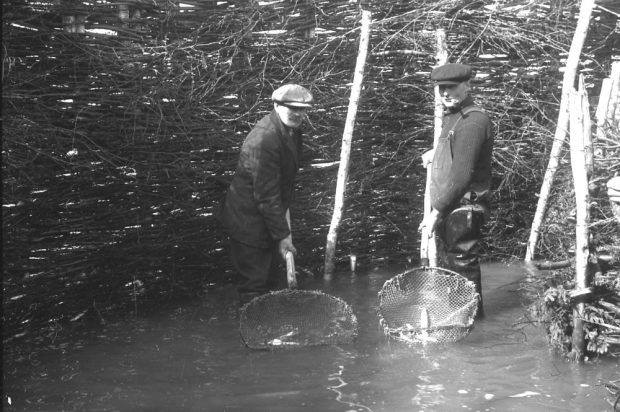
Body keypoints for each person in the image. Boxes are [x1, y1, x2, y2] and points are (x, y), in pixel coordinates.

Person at [218, 84, 314, 305]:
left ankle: (268, 331)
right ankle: (250, 333)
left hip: (268, 218)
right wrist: (282, 236)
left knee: (269, 283)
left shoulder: (292, 130)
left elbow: (284, 186)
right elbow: (266, 196)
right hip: (248, 221)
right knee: (253, 286)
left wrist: (285, 235)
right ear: (276, 105)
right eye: (293, 108)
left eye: (303, 109)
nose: (299, 114)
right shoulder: (264, 140)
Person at [418, 63, 494, 317]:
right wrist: (435, 152)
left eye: (451, 87)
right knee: (453, 273)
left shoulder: (473, 121)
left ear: (468, 85)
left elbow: (461, 176)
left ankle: (472, 328)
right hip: (451, 206)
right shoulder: (455, 117)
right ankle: (459, 319)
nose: (445, 93)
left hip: (464, 207)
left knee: (462, 268)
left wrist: (435, 213)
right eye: (441, 89)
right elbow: (455, 150)